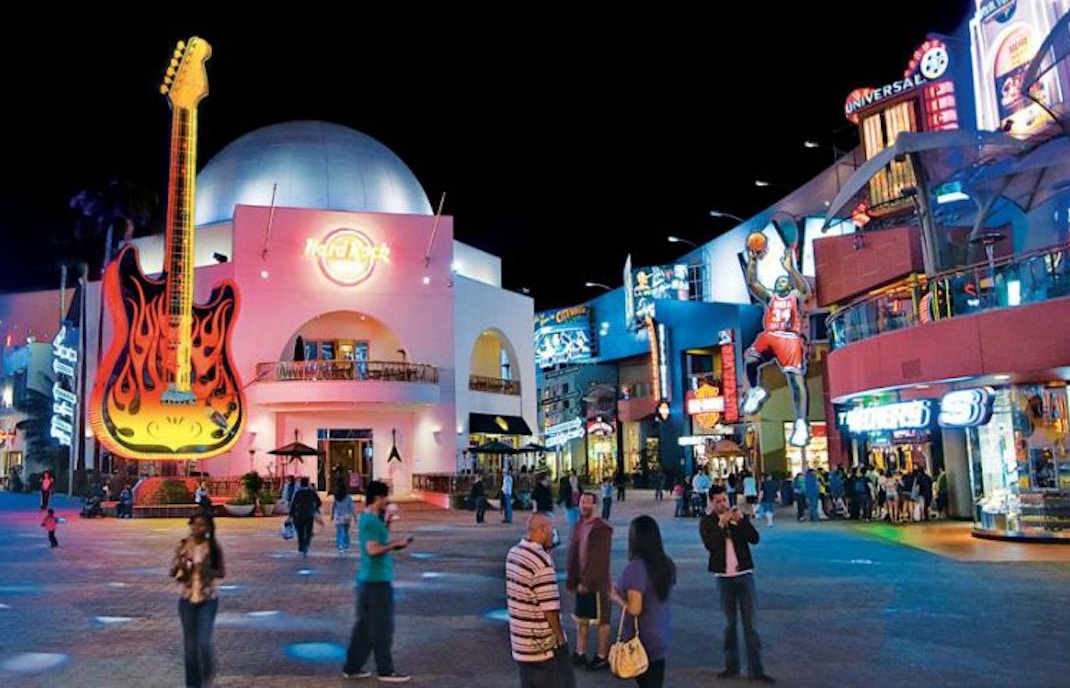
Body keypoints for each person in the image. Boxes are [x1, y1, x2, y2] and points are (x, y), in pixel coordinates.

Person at [739, 239, 812, 449]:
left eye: (784, 281)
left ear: (788, 285)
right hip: (770, 335)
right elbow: (753, 284)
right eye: (778, 281)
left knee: (795, 381)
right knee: (750, 359)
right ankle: (755, 390)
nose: (780, 283)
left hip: (789, 338)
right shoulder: (771, 297)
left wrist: (791, 269)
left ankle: (800, 423)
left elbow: (803, 289)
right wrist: (752, 261)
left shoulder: (794, 297)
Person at [699, 487, 774, 684]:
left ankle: (756, 669)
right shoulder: (707, 522)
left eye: (724, 499)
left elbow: (754, 539)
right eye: (717, 501)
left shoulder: (738, 516)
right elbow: (711, 545)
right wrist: (721, 525)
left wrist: (741, 521)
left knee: (750, 624)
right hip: (723, 577)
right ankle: (731, 666)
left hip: (744, 575)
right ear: (711, 503)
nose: (722, 504)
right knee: (729, 624)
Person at [342, 480, 412, 682]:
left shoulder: (370, 518)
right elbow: (372, 549)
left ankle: (352, 666)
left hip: (368, 580)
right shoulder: (371, 520)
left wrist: (388, 524)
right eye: (385, 497)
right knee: (382, 627)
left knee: (364, 627)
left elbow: (376, 540)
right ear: (377, 498)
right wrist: (394, 545)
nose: (387, 500)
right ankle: (385, 670)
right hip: (377, 581)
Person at [505, 511, 576, 688]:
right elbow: (550, 610)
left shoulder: (514, 553)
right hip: (543, 648)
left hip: (521, 644)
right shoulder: (541, 562)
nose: (554, 534)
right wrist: (561, 640)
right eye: (552, 530)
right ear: (543, 530)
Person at [611, 515, 676, 688]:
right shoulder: (666, 563)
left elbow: (634, 608)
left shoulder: (636, 568)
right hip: (661, 632)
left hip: (643, 638)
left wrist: (616, 596)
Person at [170, 512, 225, 688]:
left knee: (202, 642)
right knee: (190, 647)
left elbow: (221, 572)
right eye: (194, 525)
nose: (197, 528)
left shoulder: (213, 548)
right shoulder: (183, 545)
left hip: (208, 600)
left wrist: (204, 570)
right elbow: (173, 573)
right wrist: (180, 567)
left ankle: (207, 672)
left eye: (201, 525)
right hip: (186, 600)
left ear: (208, 528)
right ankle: (193, 684)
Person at [566, 492, 613, 671]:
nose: (584, 505)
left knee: (603, 620)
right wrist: (574, 580)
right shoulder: (579, 526)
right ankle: (580, 652)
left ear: (595, 506)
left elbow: (601, 559)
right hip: (580, 581)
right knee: (582, 619)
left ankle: (602, 656)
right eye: (582, 502)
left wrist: (587, 581)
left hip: (598, 583)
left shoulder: (602, 529)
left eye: (588, 503)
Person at [290, 476, 322, 557]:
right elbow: (319, 502)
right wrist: (315, 508)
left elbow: (293, 505)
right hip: (309, 514)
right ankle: (306, 545)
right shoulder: (311, 492)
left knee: (300, 531)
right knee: (308, 531)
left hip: (299, 515)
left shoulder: (298, 493)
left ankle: (301, 546)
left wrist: (291, 515)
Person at [332, 482, 356, 553]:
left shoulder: (336, 497)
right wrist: (355, 516)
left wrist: (332, 515)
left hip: (339, 516)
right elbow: (352, 507)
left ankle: (340, 545)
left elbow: (334, 506)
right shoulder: (348, 497)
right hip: (347, 516)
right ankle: (346, 544)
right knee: (346, 531)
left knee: (339, 531)